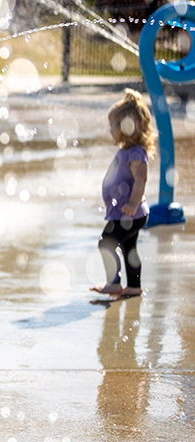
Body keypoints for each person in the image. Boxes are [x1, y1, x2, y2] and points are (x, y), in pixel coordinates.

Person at [90, 88, 157, 299]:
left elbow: (141, 179)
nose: (110, 130)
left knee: (106, 242)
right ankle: (134, 286)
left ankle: (114, 283)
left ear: (127, 127)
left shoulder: (136, 152)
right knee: (129, 248)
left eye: (113, 125)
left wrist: (133, 203)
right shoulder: (128, 151)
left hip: (129, 212)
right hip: (125, 212)